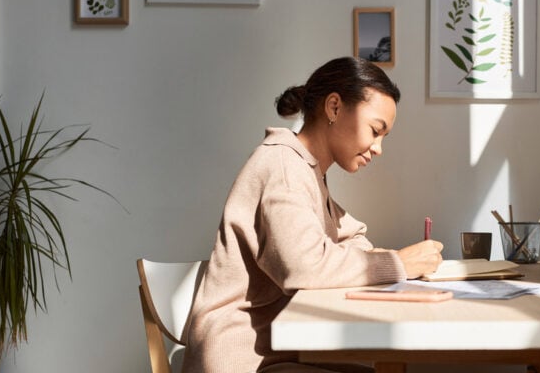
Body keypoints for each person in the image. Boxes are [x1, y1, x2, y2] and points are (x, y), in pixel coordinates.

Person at [181, 57, 444, 373]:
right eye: (375, 130)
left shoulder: (306, 170)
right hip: (241, 359)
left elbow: (351, 236)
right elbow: (304, 268)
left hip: (276, 351)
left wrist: (382, 259)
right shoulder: (283, 167)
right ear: (334, 107)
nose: (378, 148)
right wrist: (397, 264)